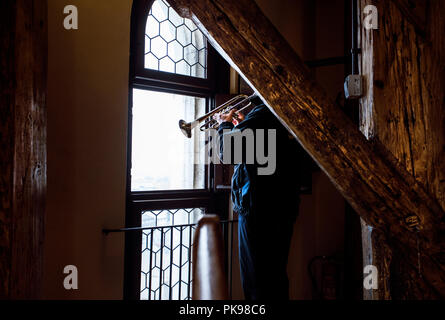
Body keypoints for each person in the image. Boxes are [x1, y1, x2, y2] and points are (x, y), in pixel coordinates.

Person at [214, 97, 305, 300]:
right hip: (281, 207)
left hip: (258, 210)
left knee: (256, 280)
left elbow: (227, 152)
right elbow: (260, 153)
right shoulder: (281, 113)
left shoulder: (262, 115)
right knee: (274, 276)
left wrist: (224, 125)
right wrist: (241, 126)